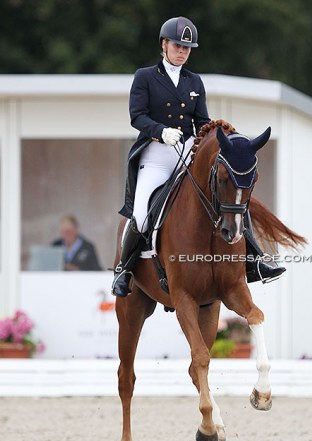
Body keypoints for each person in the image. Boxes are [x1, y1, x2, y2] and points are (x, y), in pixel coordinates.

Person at [112, 16, 285, 297]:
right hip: (156, 153)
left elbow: (202, 121)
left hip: (186, 152)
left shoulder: (194, 81)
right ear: (164, 45)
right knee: (141, 215)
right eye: (177, 45)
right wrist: (160, 131)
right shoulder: (145, 76)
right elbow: (137, 116)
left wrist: (209, 143)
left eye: (187, 48)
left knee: (229, 200)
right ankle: (125, 270)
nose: (182, 51)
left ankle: (255, 261)